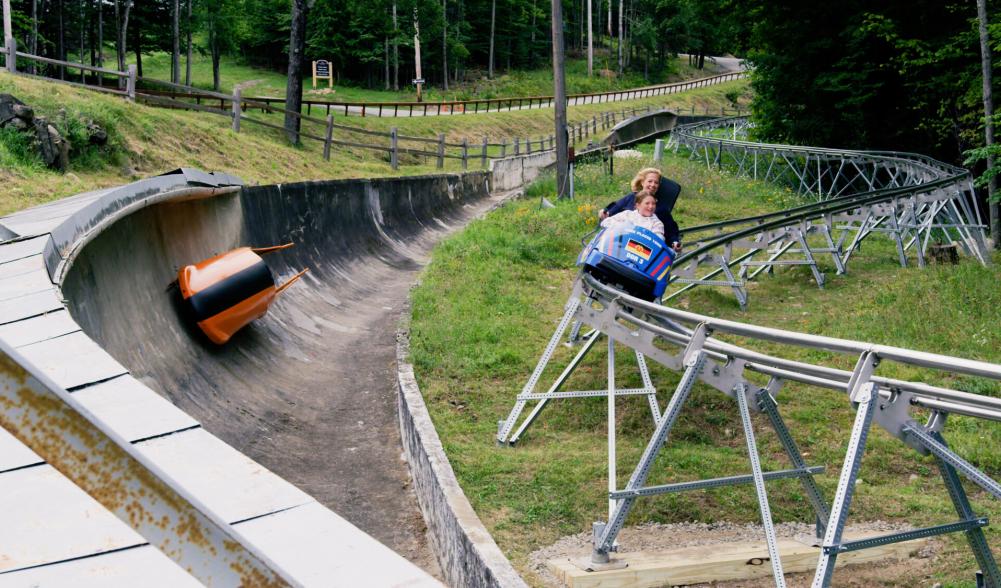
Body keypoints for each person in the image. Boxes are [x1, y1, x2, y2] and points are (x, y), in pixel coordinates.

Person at [599, 167, 681, 251]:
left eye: (656, 182)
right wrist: (605, 213)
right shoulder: (630, 201)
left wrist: (674, 241)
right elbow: (612, 211)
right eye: (650, 181)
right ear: (642, 182)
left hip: (643, 247)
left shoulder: (661, 211)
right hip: (621, 241)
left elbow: (670, 230)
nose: (653, 185)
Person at [600, 190, 665, 239]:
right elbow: (605, 222)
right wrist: (623, 227)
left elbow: (659, 239)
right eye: (647, 203)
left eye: (653, 203)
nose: (651, 206)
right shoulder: (627, 214)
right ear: (638, 205)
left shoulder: (656, 223)